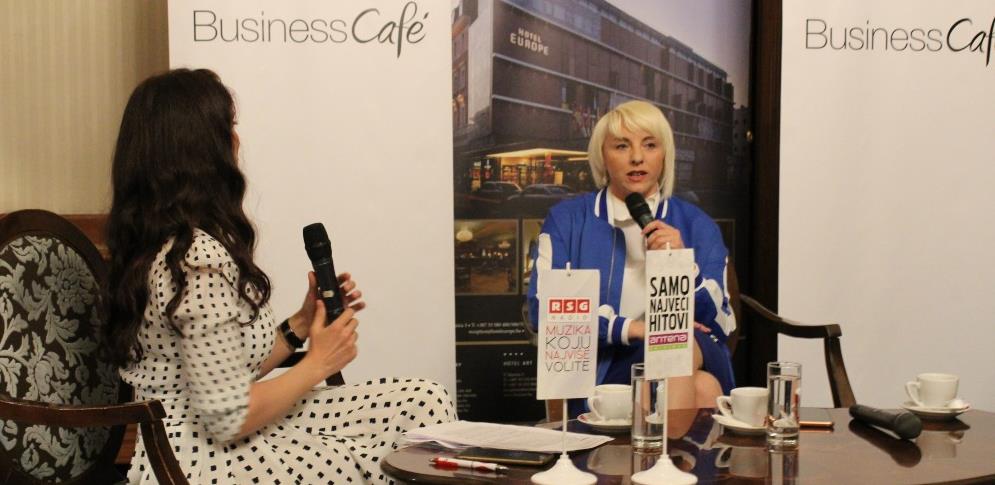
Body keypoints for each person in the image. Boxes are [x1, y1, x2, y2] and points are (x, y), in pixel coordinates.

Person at [105, 68, 455, 484]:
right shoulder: (197, 260)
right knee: (377, 458)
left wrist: (302, 323)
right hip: (199, 457)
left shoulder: (171, 244)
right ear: (202, 150)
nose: (237, 140)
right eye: (228, 127)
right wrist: (319, 362)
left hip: (214, 432)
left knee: (421, 402)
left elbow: (221, 372)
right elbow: (228, 417)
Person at [527, 100, 735, 418]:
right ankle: (662, 448)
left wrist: (680, 266)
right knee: (703, 386)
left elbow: (720, 322)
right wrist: (636, 329)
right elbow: (544, 311)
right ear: (603, 156)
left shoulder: (697, 224)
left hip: (691, 349)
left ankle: (649, 443)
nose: (637, 157)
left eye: (650, 145)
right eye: (622, 146)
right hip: (607, 367)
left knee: (676, 340)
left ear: (664, 155)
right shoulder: (567, 220)